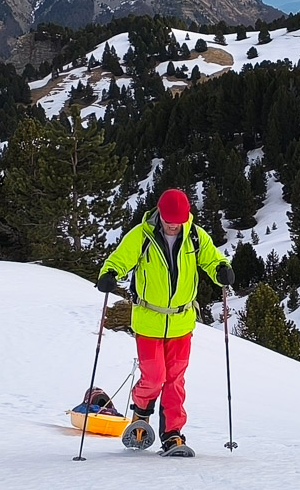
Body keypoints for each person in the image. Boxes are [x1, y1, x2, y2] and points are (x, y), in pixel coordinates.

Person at [96, 188, 232, 457]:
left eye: (178, 222)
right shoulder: (142, 235)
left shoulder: (194, 236)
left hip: (182, 321)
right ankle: (140, 416)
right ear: (160, 214)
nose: (173, 226)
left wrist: (221, 270)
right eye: (169, 221)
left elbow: (212, 259)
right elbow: (119, 260)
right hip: (148, 320)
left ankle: (173, 434)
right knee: (155, 376)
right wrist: (108, 274)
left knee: (175, 380)